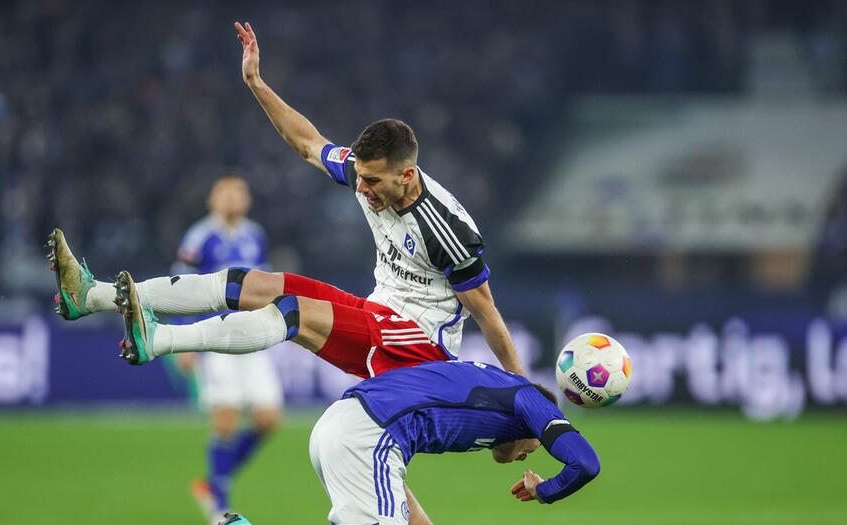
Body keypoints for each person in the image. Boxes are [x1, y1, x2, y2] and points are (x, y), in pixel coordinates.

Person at [46, 19, 522, 377]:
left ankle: (161, 339)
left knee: (291, 312)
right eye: (359, 176)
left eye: (373, 182)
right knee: (254, 284)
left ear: (407, 176)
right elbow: (307, 142)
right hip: (378, 311)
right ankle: (91, 296)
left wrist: (524, 400)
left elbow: (489, 317)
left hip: (418, 350)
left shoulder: (447, 229)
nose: (361, 189)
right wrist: (256, 83)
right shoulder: (364, 172)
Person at [309, 359, 600, 525]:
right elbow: (585, 463)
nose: (523, 456)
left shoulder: (498, 384)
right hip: (370, 436)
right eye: (533, 448)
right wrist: (544, 490)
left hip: (344, 422)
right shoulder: (531, 400)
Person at [171, 176, 283, 525]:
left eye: (238, 193)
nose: (232, 199)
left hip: (253, 337)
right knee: (226, 419)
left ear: (247, 200)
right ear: (212, 199)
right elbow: (178, 288)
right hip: (215, 339)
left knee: (268, 419)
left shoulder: (255, 235)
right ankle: (219, 505)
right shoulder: (199, 237)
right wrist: (183, 341)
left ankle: (214, 481)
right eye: (225, 193)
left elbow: (265, 285)